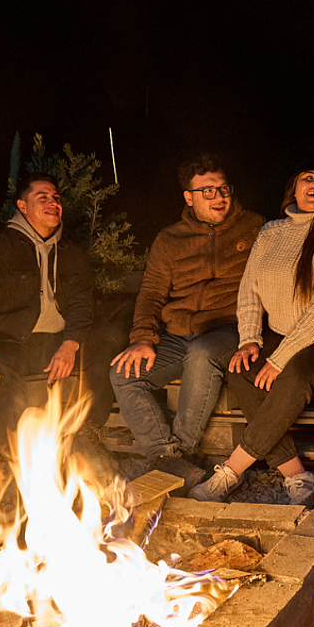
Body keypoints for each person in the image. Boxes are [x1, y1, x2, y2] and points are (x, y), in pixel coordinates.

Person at [189, 166, 314, 504]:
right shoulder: (270, 232)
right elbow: (249, 289)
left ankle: (230, 471)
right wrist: (250, 339)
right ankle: (298, 476)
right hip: (282, 337)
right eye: (309, 178)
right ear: (293, 188)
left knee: (293, 376)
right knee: (240, 368)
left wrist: (279, 360)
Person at [110, 154, 263, 479]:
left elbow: (283, 266)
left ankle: (184, 449)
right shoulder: (170, 240)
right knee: (124, 374)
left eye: (223, 189)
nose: (219, 197)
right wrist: (142, 339)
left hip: (228, 329)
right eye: (207, 191)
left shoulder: (253, 228)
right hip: (178, 334)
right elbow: (151, 294)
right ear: (189, 197)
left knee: (202, 353)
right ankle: (166, 456)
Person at [0, 172, 95, 449]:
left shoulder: (71, 252)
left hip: (56, 340)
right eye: (42, 197)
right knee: (5, 377)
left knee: (100, 350)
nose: (53, 203)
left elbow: (83, 302)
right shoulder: (4, 246)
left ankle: (82, 446)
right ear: (22, 206)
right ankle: (18, 458)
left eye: (56, 198)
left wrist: (70, 345)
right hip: (13, 339)